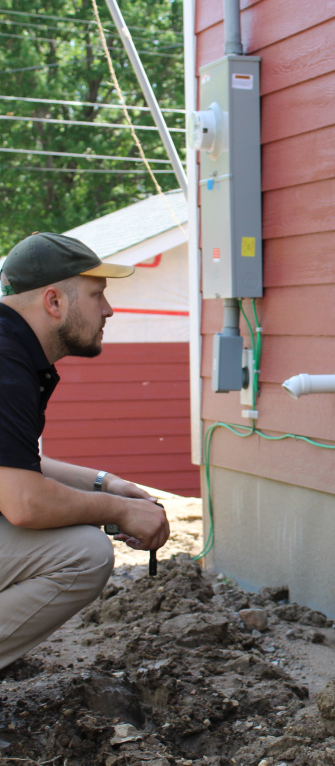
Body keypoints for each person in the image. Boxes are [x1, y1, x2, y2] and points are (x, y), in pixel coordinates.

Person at [0, 232, 170, 670]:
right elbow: (23, 501)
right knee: (83, 553)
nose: (109, 310)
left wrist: (106, 485)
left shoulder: (12, 350)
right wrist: (119, 511)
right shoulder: (6, 366)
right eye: (98, 295)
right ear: (54, 302)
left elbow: (16, 466)